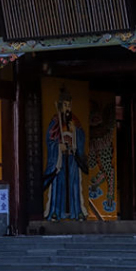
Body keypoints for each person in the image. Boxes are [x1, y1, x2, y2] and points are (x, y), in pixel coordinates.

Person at [43, 90, 86, 220]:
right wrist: (57, 147)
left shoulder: (75, 121)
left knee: (74, 184)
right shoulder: (55, 121)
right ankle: (55, 211)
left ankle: (76, 211)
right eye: (65, 105)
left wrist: (75, 132)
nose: (68, 108)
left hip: (72, 157)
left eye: (69, 105)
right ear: (61, 106)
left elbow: (82, 138)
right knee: (58, 184)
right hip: (60, 158)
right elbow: (49, 140)